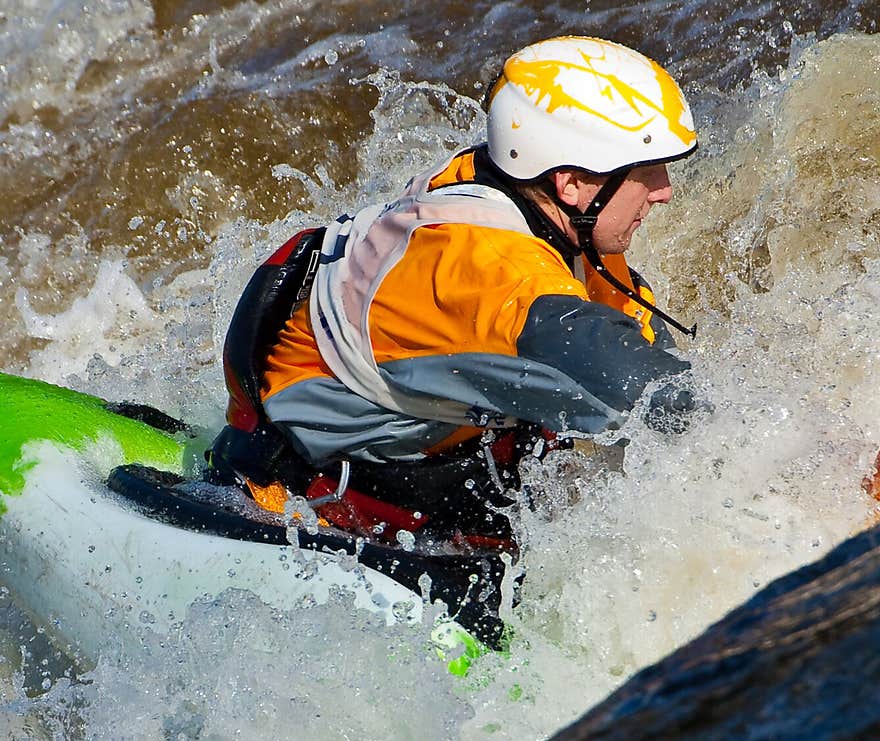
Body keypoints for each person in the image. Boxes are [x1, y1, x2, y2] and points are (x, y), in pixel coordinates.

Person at [207, 35, 699, 548]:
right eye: (648, 172)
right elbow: (608, 362)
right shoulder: (492, 269)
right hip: (299, 487)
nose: (664, 191)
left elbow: (639, 346)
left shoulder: (528, 196)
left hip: (415, 430)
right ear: (571, 182)